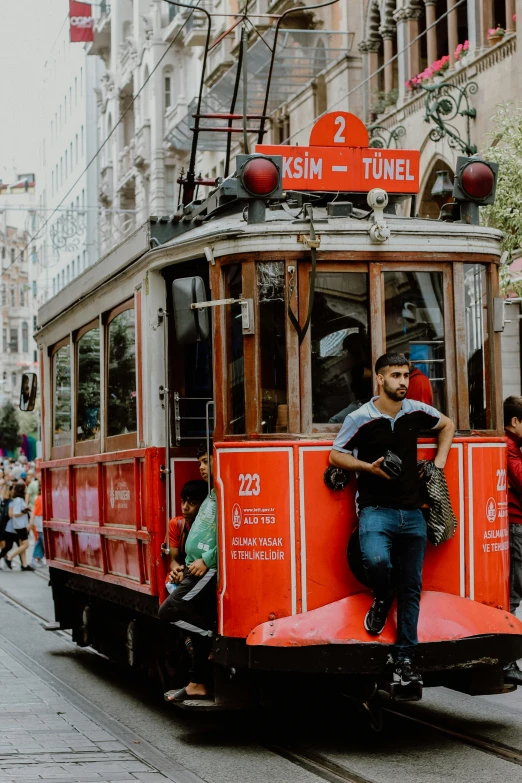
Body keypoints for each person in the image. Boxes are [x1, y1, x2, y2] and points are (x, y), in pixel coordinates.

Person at [329, 352, 455, 686]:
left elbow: (447, 424)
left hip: (412, 512)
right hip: (375, 511)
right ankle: (383, 596)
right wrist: (367, 468)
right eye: (395, 376)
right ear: (380, 379)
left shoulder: (416, 411)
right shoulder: (360, 418)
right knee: (375, 561)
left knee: (412, 587)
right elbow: (335, 454)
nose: (402, 382)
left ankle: (405, 659)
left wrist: (437, 465)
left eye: (405, 376)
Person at [159, 447, 217, 702]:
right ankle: (196, 683)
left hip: (205, 568)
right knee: (191, 622)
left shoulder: (223, 492)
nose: (202, 467)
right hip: (193, 568)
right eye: (200, 463)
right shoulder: (213, 493)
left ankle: (210, 639)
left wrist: (206, 560)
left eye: (206, 462)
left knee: (171, 611)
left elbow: (230, 533)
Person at [503, 396, 522, 684]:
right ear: (516, 422)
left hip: (518, 525)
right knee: (513, 595)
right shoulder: (508, 448)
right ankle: (506, 659)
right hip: (516, 526)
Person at [165, 479, 208, 593]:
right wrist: (177, 571)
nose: (185, 507)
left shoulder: (211, 528)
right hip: (184, 574)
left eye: (192, 503)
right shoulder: (176, 524)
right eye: (183, 502)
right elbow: (174, 560)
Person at [4, 483, 33, 571]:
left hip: (19, 525)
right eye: (25, 488)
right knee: (26, 545)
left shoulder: (17, 499)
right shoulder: (19, 500)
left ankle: (24, 564)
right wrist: (24, 511)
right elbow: (15, 514)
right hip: (20, 526)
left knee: (21, 545)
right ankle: (10, 557)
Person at [30, 482, 44, 569]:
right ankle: (36, 558)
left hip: (39, 524)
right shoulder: (40, 498)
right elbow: (36, 512)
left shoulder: (38, 498)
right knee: (41, 541)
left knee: (39, 541)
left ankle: (36, 558)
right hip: (40, 524)